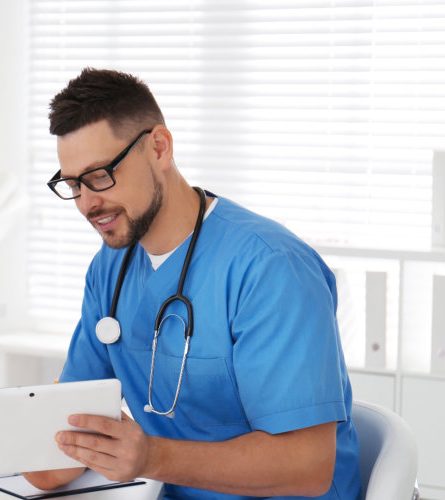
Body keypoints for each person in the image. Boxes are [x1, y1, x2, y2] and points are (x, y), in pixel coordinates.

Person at [21, 68, 359, 500]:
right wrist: (32, 450)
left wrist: (150, 457)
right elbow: (70, 428)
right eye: (72, 185)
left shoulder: (271, 269)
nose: (87, 203)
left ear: (159, 147)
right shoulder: (111, 268)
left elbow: (307, 467)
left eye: (100, 175)